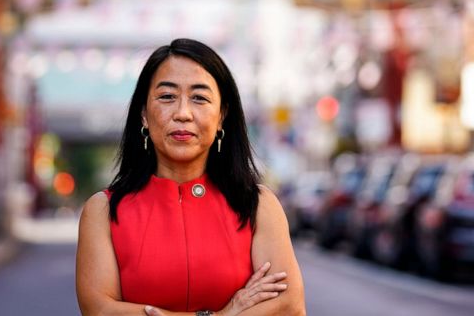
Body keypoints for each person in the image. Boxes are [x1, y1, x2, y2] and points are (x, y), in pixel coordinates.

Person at [76, 38, 306, 316]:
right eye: (167, 97)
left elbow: (288, 308)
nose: (183, 113)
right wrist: (220, 315)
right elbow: (100, 311)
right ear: (144, 115)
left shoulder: (257, 206)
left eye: (199, 98)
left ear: (222, 116)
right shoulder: (102, 211)